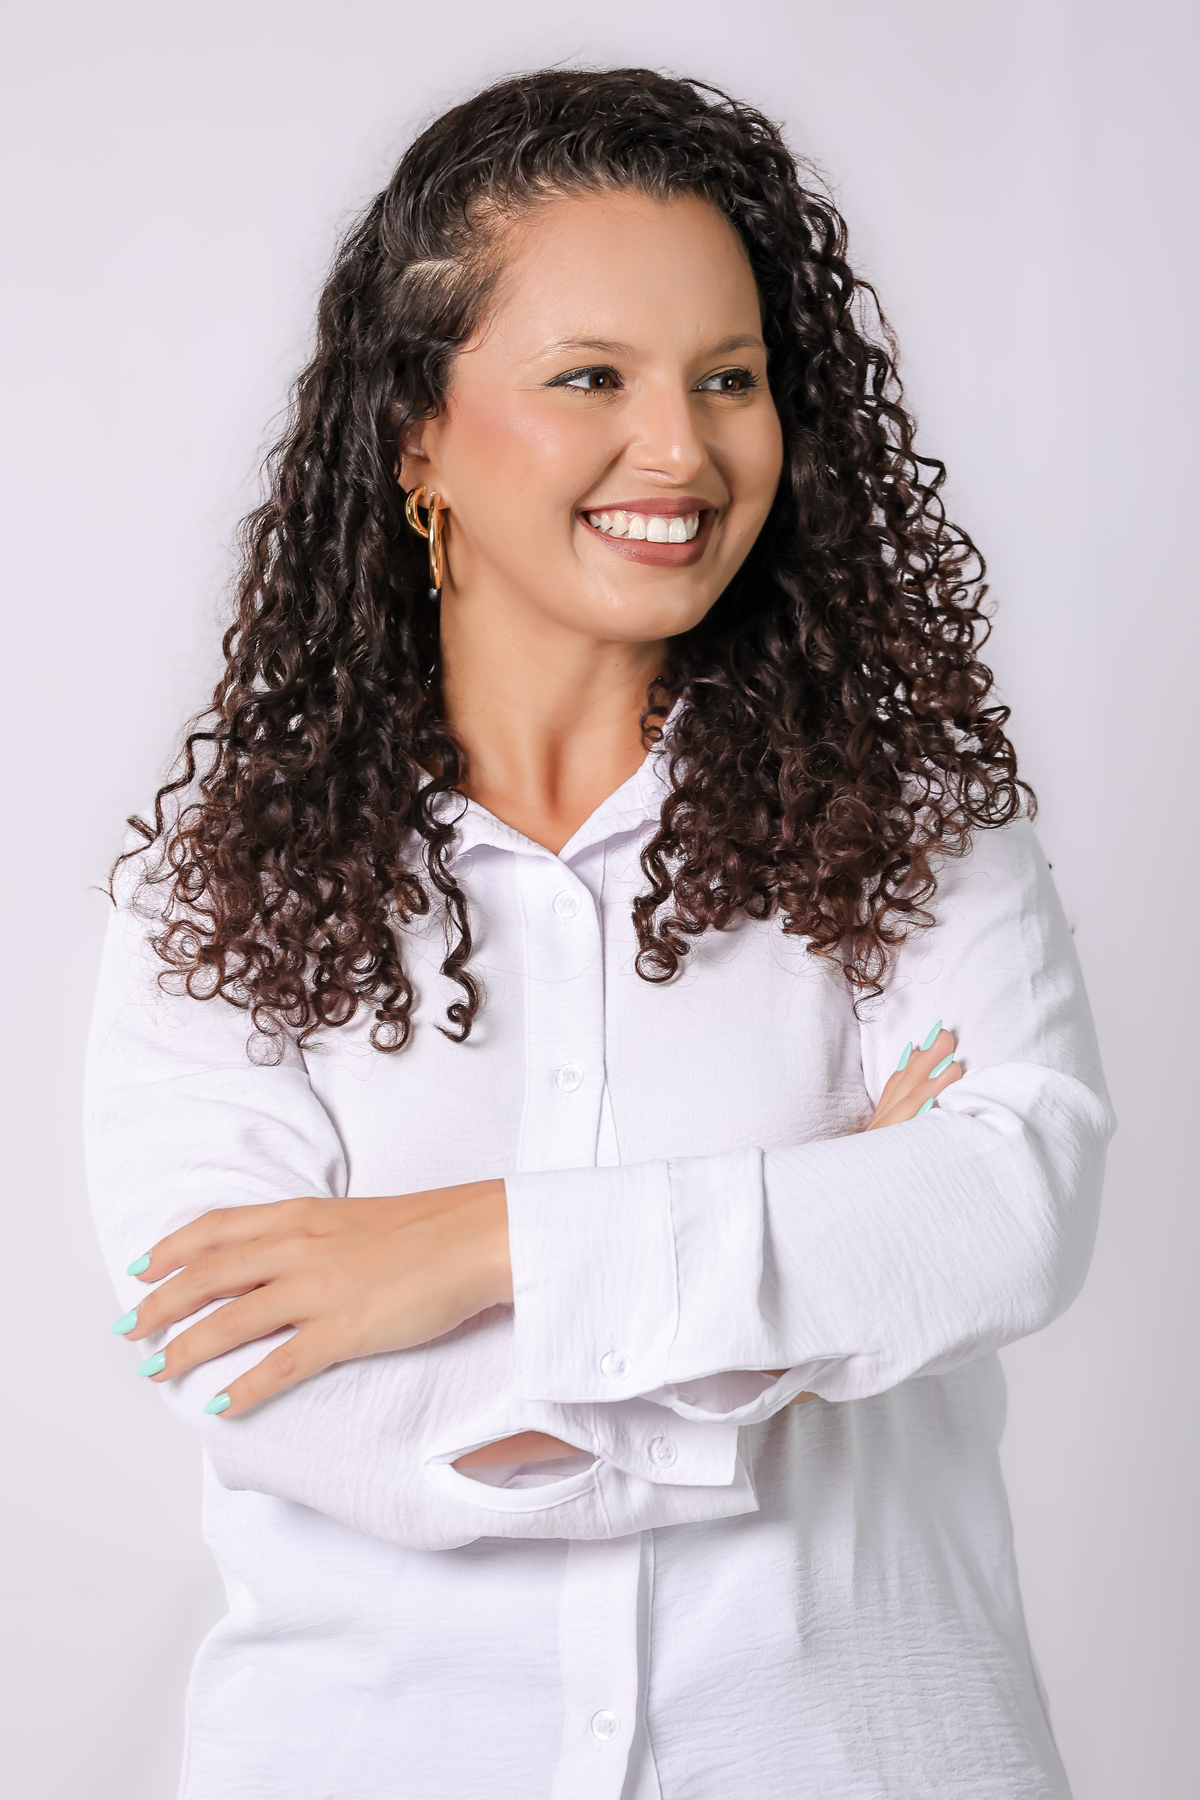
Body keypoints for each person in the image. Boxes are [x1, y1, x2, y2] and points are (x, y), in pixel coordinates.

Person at [86, 67, 1112, 1800]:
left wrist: (476, 1248)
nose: (683, 450)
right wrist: (805, 1309)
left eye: (730, 377)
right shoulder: (219, 887)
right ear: (416, 433)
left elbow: (1009, 1214)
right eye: (591, 378)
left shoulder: (915, 830)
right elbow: (283, 1391)